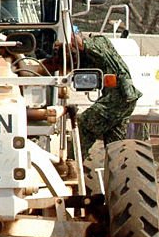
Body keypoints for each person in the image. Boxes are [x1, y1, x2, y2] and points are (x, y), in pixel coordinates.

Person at [54, 26, 142, 156]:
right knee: (115, 146)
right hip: (123, 99)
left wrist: (62, 35)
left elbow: (76, 41)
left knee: (84, 125)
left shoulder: (97, 42)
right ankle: (117, 172)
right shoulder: (88, 55)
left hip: (118, 98)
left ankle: (72, 163)